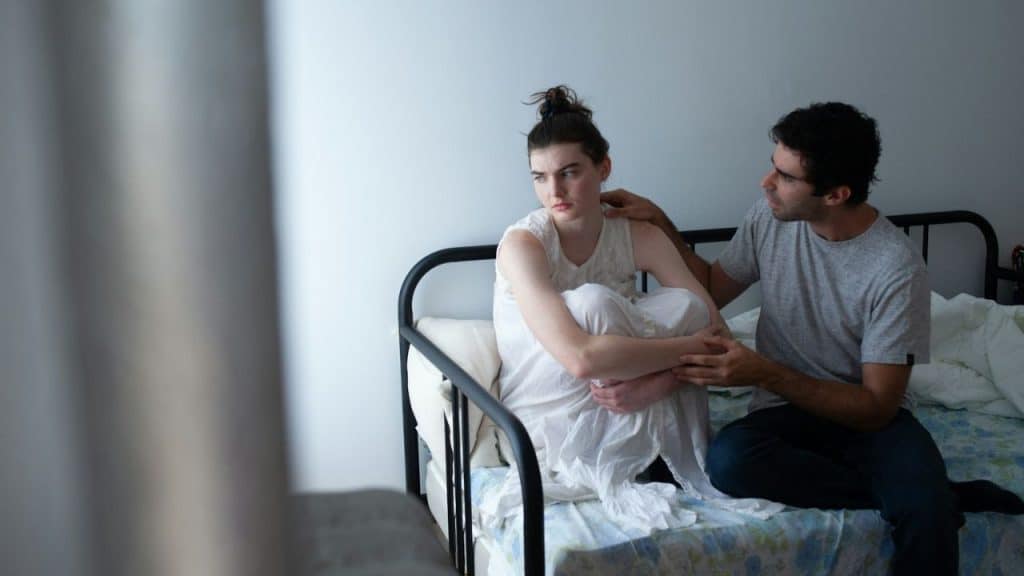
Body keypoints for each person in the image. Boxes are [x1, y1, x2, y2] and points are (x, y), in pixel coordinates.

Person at [599, 101, 1024, 574]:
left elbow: (878, 406)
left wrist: (763, 371)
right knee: (730, 461)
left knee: (927, 520)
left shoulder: (895, 268)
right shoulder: (770, 218)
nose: (766, 182)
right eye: (773, 166)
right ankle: (936, 495)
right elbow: (713, 288)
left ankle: (922, 499)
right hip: (784, 413)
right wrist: (660, 222)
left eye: (784, 176)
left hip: (866, 418)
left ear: (836, 194)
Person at [483, 86, 778, 533]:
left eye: (569, 172)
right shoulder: (523, 244)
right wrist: (682, 354)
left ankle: (643, 445)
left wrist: (659, 382)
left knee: (686, 304)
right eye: (540, 177)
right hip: (548, 409)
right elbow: (580, 359)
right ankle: (621, 450)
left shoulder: (636, 234)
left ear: (604, 168)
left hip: (628, 391)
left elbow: (716, 332)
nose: (554, 191)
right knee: (594, 301)